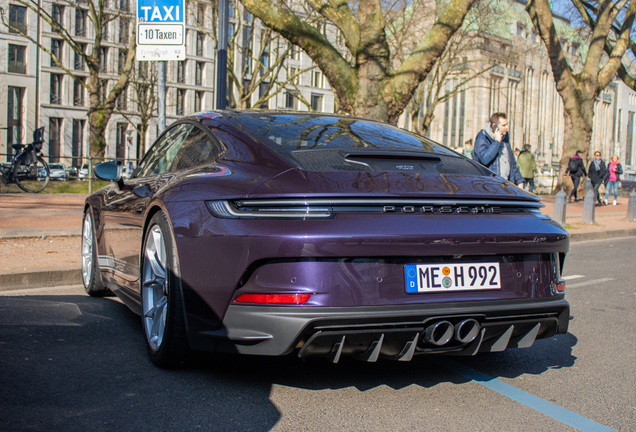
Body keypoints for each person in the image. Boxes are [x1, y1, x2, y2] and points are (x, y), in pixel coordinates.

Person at [473, 113, 525, 187]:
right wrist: (497, 142)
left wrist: (520, 181)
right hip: (489, 185)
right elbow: (484, 159)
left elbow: (512, 163)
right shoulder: (482, 138)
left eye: (507, 124)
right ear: (494, 125)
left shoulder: (505, 139)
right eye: (504, 125)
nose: (507, 127)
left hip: (506, 185)